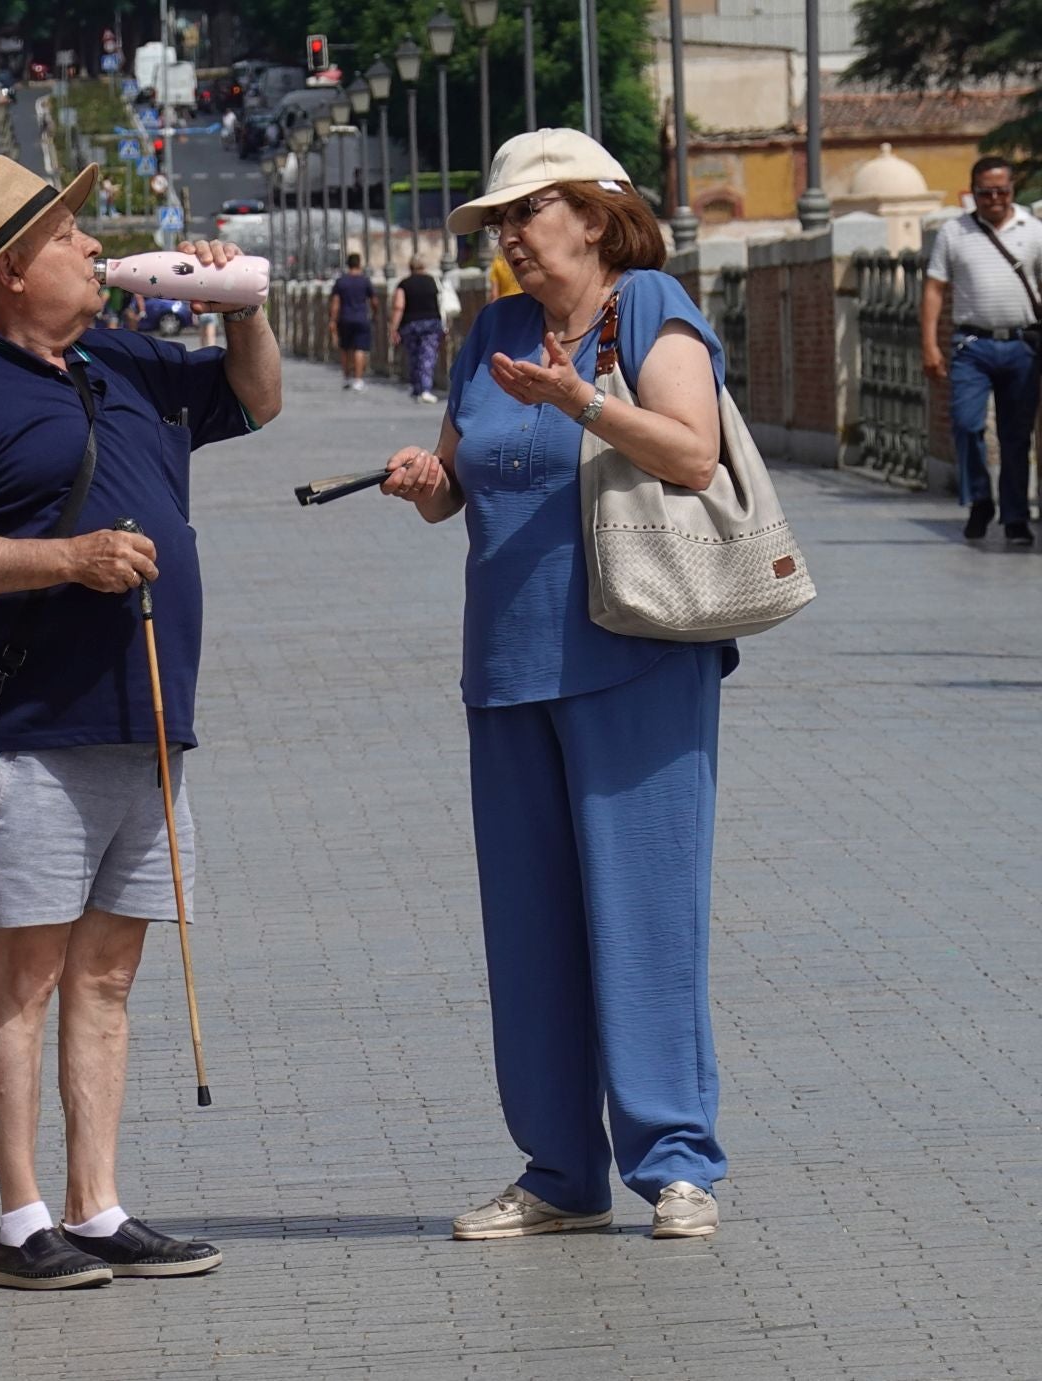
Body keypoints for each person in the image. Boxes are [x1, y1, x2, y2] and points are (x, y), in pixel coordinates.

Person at [0, 155, 282, 1290]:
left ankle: (98, 1205)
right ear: (10, 271)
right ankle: (22, 1219)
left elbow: (255, 401)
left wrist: (238, 302)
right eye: (69, 237)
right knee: (29, 973)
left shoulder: (124, 358)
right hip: (30, 728)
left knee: (108, 974)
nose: (94, 250)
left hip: (148, 721)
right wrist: (69, 558)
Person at [380, 129, 735, 1243]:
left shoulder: (652, 310)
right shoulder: (489, 330)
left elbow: (692, 452)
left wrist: (580, 399)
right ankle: (560, 1171)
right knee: (528, 926)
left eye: (526, 217)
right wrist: (424, 480)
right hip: (508, 664)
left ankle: (676, 1162)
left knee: (643, 917)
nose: (511, 241)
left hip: (635, 650)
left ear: (590, 214)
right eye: (499, 225)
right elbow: (460, 486)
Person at [921, 155, 1040, 545]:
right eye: (985, 191)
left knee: (1016, 436)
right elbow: (935, 289)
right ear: (973, 193)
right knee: (967, 423)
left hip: (1022, 345)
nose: (994, 198)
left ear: (1012, 191)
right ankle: (979, 499)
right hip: (971, 345)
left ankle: (1016, 517)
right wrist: (929, 345)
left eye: (1001, 191)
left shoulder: (1033, 231)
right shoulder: (954, 233)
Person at [389, 257, 445, 403]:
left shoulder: (404, 284)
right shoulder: (433, 281)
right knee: (428, 356)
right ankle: (425, 389)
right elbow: (441, 303)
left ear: (410, 267)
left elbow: (399, 306)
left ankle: (417, 388)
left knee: (414, 356)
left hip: (410, 325)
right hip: (431, 322)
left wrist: (393, 328)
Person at [330, 252, 375, 389]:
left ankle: (347, 378)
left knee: (345, 348)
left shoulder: (341, 281)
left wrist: (332, 320)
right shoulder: (365, 281)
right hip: (361, 318)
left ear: (348, 264)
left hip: (345, 318)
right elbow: (374, 301)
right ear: (359, 264)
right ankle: (358, 380)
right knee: (359, 349)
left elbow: (336, 302)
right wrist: (375, 313)